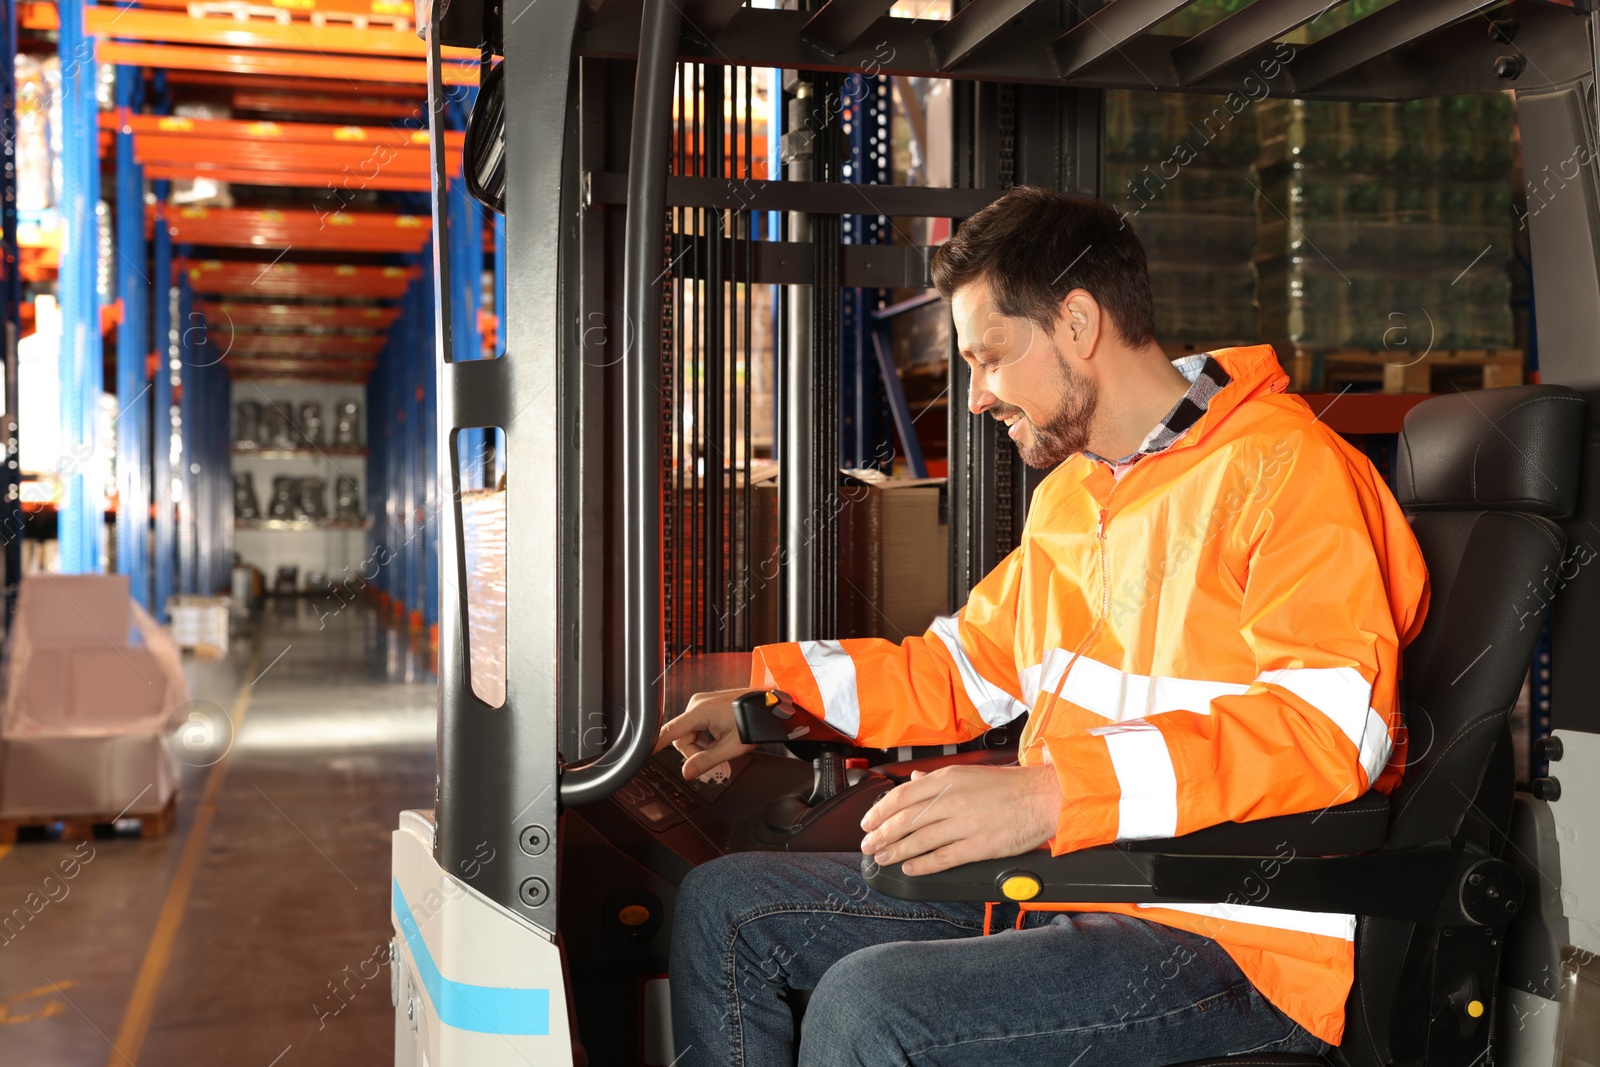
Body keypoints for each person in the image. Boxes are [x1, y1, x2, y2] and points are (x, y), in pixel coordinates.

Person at [656, 186, 1429, 1067]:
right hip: (1088, 876)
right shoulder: (1080, 492)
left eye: (990, 357)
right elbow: (965, 668)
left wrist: (1047, 794)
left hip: (1227, 933)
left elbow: (1328, 730)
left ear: (1077, 320)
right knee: (728, 910)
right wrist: (768, 698)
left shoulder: (1289, 471)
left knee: (871, 1006)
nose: (977, 395)